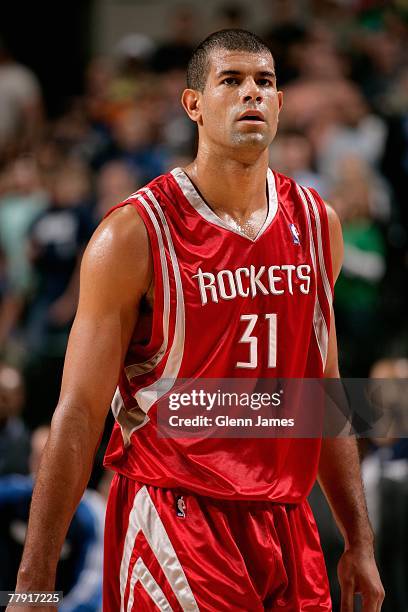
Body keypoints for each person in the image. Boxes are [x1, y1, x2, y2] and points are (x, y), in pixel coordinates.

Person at [11, 30, 384, 611]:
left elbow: (323, 398)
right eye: (231, 81)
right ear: (193, 105)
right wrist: (33, 585)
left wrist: (360, 541)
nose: (251, 94)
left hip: (287, 522)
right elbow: (79, 413)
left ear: (281, 105)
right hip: (177, 517)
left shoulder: (316, 224)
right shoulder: (132, 234)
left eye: (264, 82)